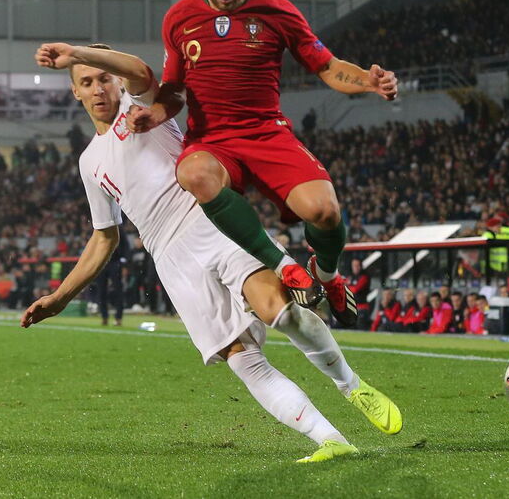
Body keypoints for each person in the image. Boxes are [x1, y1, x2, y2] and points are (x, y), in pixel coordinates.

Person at [28, 42, 402, 463]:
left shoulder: (141, 108)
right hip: (169, 256)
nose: (98, 88)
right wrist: (59, 298)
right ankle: (330, 440)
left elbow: (139, 69)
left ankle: (351, 386)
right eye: (86, 82)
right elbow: (104, 237)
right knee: (242, 359)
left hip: (208, 220)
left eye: (102, 78)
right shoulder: (88, 162)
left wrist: (79, 52)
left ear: (116, 82)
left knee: (276, 308)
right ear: (75, 92)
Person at [125, 0, 398, 328]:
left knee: (323, 211)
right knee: (192, 172)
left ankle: (328, 276)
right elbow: (175, 88)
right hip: (213, 140)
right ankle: (282, 264)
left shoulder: (277, 10)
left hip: (267, 132)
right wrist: (156, 113)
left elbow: (325, 65)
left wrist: (368, 81)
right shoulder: (178, 19)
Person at [346, 258, 371, 330]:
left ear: (360, 266)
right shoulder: (350, 276)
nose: (355, 268)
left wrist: (347, 286)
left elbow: (356, 289)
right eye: (354, 265)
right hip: (351, 307)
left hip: (362, 308)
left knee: (360, 327)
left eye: (357, 265)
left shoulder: (364, 277)